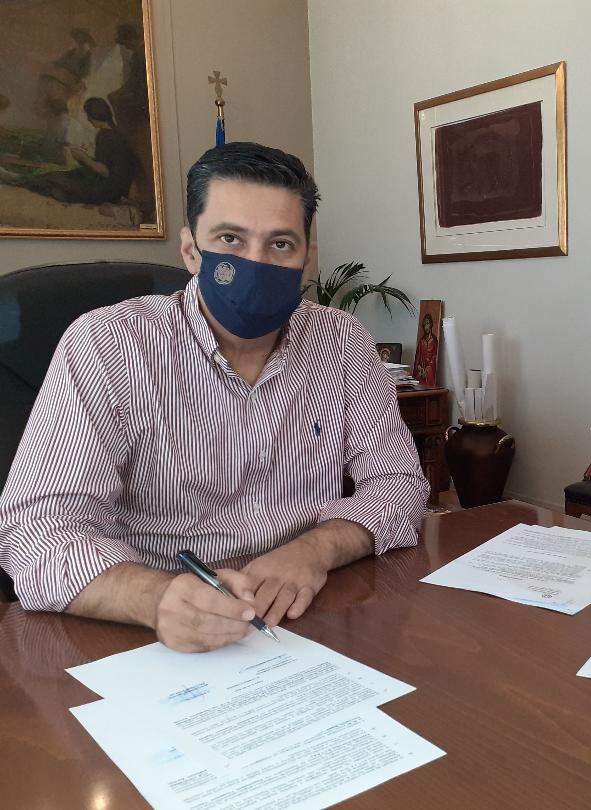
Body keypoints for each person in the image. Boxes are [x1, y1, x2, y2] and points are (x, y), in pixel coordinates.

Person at [0, 142, 429, 652]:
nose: (256, 263)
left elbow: (400, 484)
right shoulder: (108, 345)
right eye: (230, 239)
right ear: (190, 250)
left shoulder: (342, 341)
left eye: (281, 244)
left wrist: (315, 550)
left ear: (307, 260)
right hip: (145, 634)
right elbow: (39, 530)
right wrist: (156, 598)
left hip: (304, 617)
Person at [0, 97, 137, 206]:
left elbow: (104, 171)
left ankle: (16, 179)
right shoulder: (117, 133)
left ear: (94, 115)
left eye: (88, 115)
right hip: (113, 189)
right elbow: (110, 166)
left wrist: (83, 158)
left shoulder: (104, 136)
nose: (88, 119)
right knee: (59, 178)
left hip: (104, 189)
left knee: (57, 179)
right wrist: (84, 157)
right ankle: (27, 182)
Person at [413, 313, 439, 386]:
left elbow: (434, 358)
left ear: (431, 324)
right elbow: (417, 358)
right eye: (424, 325)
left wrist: (426, 370)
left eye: (427, 324)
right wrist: (419, 367)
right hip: (420, 372)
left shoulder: (434, 341)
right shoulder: (421, 341)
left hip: (429, 372)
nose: (426, 327)